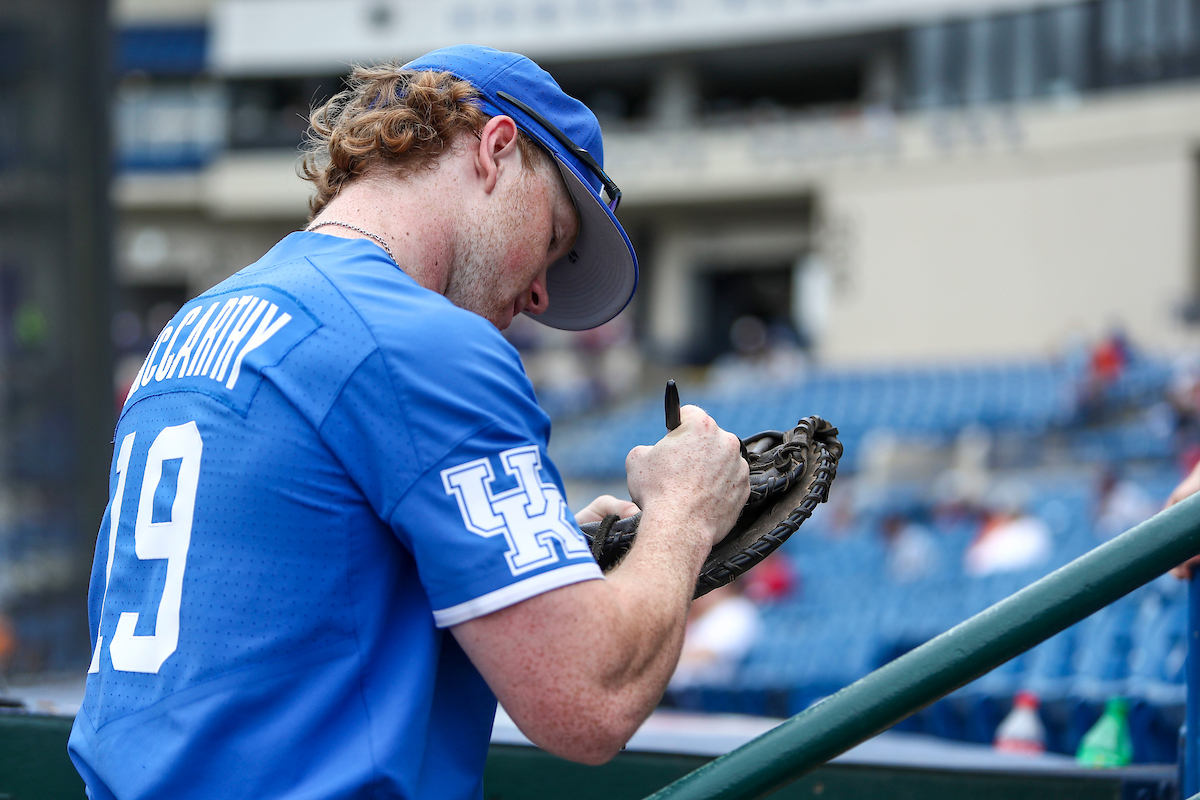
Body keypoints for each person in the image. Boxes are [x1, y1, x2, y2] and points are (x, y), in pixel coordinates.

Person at [68, 45, 749, 799]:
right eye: (554, 238)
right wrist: (684, 512)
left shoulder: (196, 323)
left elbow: (285, 600)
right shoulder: (421, 341)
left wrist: (548, 561)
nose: (542, 297)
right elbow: (589, 702)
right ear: (495, 150)